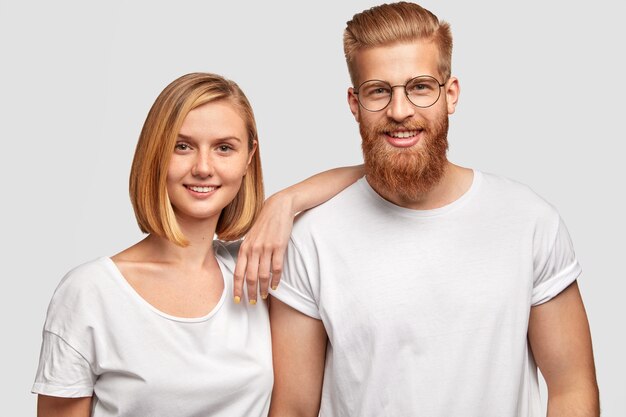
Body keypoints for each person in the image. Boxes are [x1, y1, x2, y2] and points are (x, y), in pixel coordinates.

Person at [268, 2, 599, 416]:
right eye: (379, 90)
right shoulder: (311, 239)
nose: (400, 110)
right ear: (355, 104)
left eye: (420, 86)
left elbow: (572, 387)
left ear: (451, 94)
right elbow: (295, 409)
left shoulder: (530, 222)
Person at [32, 72, 363, 417]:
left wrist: (285, 200)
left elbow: (372, 173)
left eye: (224, 148)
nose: (203, 167)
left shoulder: (256, 271)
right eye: (182, 146)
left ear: (249, 157)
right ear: (155, 153)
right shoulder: (90, 292)